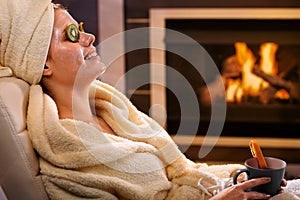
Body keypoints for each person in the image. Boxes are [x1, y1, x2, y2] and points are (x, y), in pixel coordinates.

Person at [0, 0, 297, 199]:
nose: (88, 37)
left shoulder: (113, 110)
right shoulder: (68, 157)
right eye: (71, 34)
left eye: (81, 27)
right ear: (42, 63)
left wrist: (239, 178)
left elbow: (183, 171)